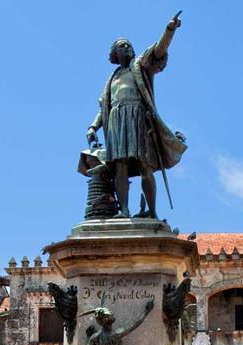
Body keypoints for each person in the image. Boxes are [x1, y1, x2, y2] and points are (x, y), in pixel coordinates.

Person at [86, 13, 187, 219]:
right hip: (115, 120)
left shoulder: (140, 66)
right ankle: (123, 210)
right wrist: (93, 127)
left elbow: (158, 50)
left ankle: (152, 211)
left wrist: (169, 31)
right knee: (119, 166)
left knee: (145, 165)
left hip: (137, 118)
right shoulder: (112, 79)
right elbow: (103, 107)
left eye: (129, 45)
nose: (128, 47)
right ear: (115, 54)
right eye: (122, 46)